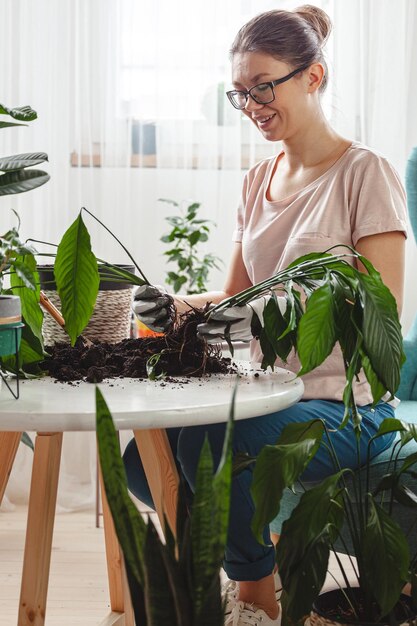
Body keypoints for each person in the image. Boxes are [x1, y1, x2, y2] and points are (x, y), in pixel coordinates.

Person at [124, 5, 407, 625]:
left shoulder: (367, 174)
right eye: (240, 92)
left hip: (345, 405)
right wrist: (173, 304)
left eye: (263, 86)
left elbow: (382, 308)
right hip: (264, 392)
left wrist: (261, 317)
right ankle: (250, 558)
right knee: (140, 464)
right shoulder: (258, 180)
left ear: (313, 76)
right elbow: (231, 296)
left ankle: (255, 594)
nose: (251, 104)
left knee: (219, 444)